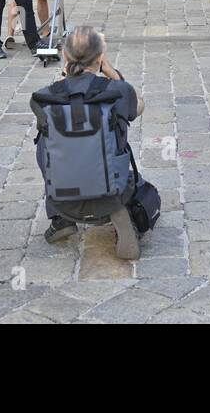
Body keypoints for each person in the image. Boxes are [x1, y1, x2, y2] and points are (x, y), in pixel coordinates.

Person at [31, 26, 145, 259]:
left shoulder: (44, 98)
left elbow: (71, 95)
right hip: (111, 194)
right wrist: (112, 72)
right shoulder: (117, 91)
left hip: (62, 198)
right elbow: (139, 105)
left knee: (49, 141)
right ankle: (119, 213)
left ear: (64, 55)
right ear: (100, 58)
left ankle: (60, 220)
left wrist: (66, 78)